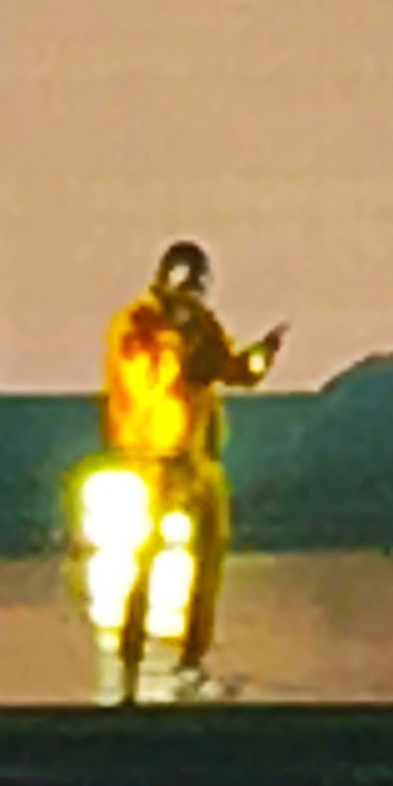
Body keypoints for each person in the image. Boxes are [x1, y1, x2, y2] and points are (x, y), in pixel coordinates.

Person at [100, 240, 282, 700]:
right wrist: (181, 348)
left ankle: (191, 659)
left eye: (199, 284)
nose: (193, 293)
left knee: (209, 556)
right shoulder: (137, 323)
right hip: (153, 459)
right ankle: (130, 658)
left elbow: (226, 369)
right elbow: (148, 378)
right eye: (187, 282)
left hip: (198, 459)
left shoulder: (199, 322)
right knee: (144, 558)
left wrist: (259, 357)